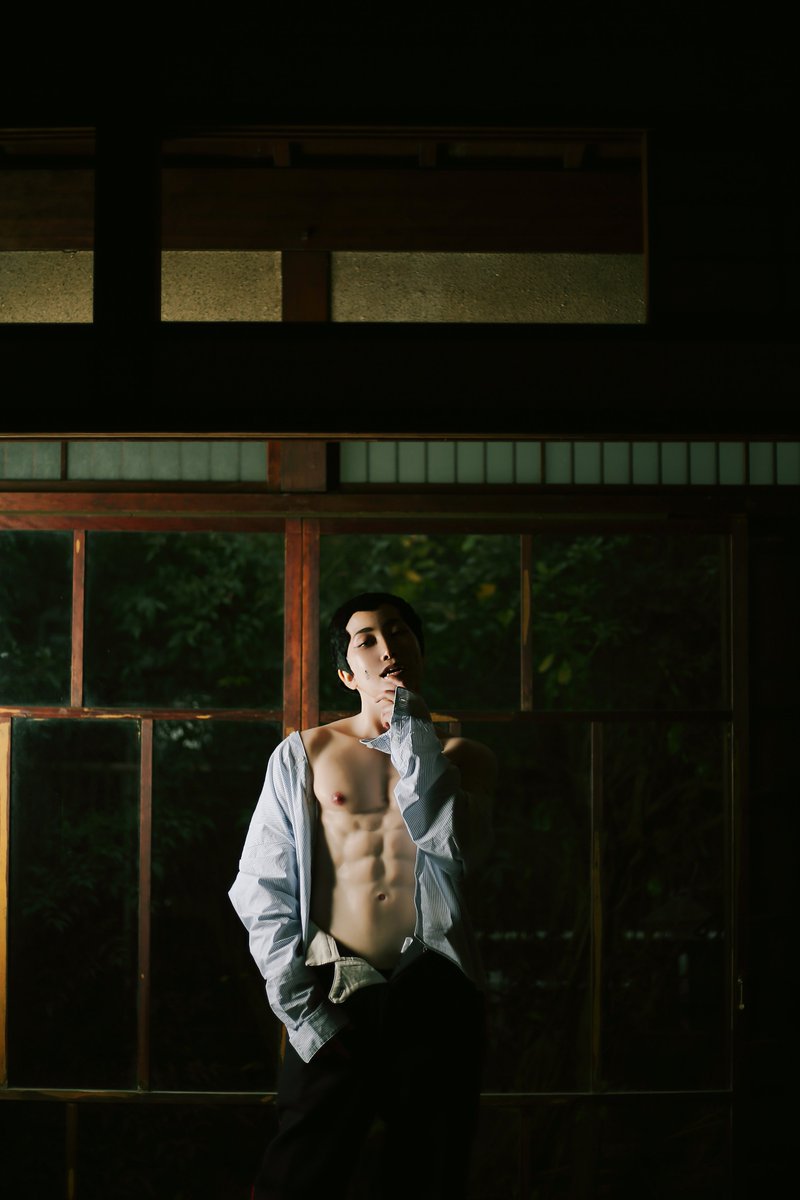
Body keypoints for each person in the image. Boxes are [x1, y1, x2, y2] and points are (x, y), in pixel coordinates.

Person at [229, 591, 496, 1200]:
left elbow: (452, 845)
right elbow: (262, 886)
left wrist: (412, 729)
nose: (387, 647)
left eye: (399, 632)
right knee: (297, 1180)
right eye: (366, 639)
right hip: (335, 988)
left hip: (436, 990)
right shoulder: (306, 752)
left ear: (419, 651)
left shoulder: (466, 758)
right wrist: (303, 1009)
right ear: (347, 674)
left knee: (430, 1178)